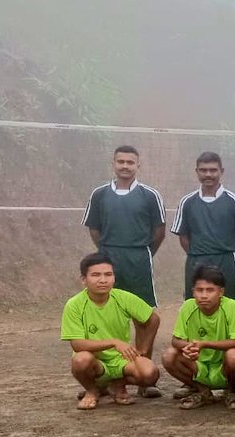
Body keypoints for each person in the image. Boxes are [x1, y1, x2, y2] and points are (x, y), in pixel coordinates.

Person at [82, 144, 166, 398]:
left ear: (138, 165)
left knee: (143, 318)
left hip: (139, 258)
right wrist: (107, 253)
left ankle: (143, 377)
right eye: (121, 162)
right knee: (104, 317)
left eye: (130, 162)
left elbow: (159, 232)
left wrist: (142, 252)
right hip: (109, 256)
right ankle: (106, 378)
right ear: (113, 164)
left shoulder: (150, 195)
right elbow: (94, 228)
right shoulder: (99, 194)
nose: (125, 166)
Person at [62, 253, 161, 410]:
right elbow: (77, 344)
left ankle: (117, 385)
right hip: (94, 361)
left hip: (121, 359)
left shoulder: (123, 298)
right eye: (96, 275)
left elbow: (153, 319)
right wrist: (114, 342)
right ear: (83, 280)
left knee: (150, 373)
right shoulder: (74, 305)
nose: (103, 280)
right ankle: (92, 390)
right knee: (80, 360)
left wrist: (143, 350)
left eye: (108, 274)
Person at [161, 265, 235, 410]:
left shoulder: (232, 307)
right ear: (193, 292)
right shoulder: (188, 306)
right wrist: (188, 347)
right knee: (169, 355)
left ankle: (232, 392)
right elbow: (175, 340)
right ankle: (203, 392)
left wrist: (205, 344)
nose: (204, 295)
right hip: (198, 364)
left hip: (224, 367)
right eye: (199, 290)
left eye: (210, 290)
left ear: (221, 292)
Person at [171, 151, 235, 307]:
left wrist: (231, 255)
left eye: (213, 170)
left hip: (226, 261)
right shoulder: (187, 201)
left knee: (229, 305)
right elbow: (183, 235)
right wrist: (197, 253)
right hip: (196, 260)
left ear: (221, 171)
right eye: (203, 170)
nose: (208, 174)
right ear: (197, 172)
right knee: (195, 306)